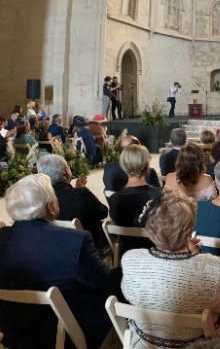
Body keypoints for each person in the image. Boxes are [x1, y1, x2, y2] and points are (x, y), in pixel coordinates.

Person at [0, 174, 117, 349]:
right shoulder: (74, 240)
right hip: (64, 336)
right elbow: (104, 283)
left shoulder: (3, 238)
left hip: (14, 333)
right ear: (50, 206)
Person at [121, 189, 220, 348]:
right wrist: (194, 260)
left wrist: (190, 257)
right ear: (189, 230)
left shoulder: (131, 260)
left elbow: (133, 294)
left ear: (151, 229)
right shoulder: (213, 269)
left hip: (145, 344)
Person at [37, 154, 108, 250]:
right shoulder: (80, 194)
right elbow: (103, 212)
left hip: (58, 249)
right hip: (89, 248)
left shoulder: (40, 200)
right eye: (68, 168)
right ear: (66, 172)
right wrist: (83, 191)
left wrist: (78, 191)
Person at [109, 144, 162, 255]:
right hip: (156, 255)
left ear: (123, 166)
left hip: (127, 257)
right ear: (147, 166)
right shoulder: (161, 195)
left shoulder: (114, 199)